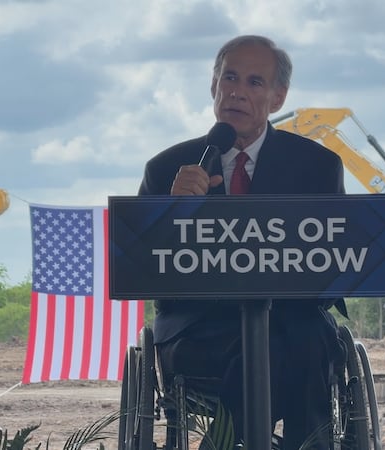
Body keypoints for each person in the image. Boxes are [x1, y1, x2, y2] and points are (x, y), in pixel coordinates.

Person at [138, 35, 346, 449]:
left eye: (254, 82)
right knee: (272, 354)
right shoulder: (166, 168)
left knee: (298, 343)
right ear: (213, 85)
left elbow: (334, 266)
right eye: (229, 77)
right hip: (198, 330)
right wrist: (172, 212)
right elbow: (140, 267)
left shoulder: (317, 166)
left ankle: (222, 443)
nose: (237, 91)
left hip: (291, 324)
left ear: (278, 95)